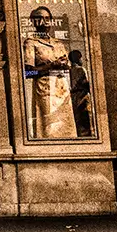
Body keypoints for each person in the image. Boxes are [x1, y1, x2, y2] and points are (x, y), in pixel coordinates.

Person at [23, 7, 76, 138]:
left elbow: (69, 66)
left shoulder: (58, 43)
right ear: (33, 22)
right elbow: (28, 73)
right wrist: (51, 65)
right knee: (50, 127)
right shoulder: (31, 43)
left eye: (47, 18)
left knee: (66, 127)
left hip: (62, 90)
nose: (44, 22)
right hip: (45, 89)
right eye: (39, 19)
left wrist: (65, 64)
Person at [66, 50, 94, 137]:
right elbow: (86, 84)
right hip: (82, 97)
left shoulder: (69, 70)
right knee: (86, 119)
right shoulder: (81, 69)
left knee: (77, 120)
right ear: (78, 59)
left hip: (73, 98)